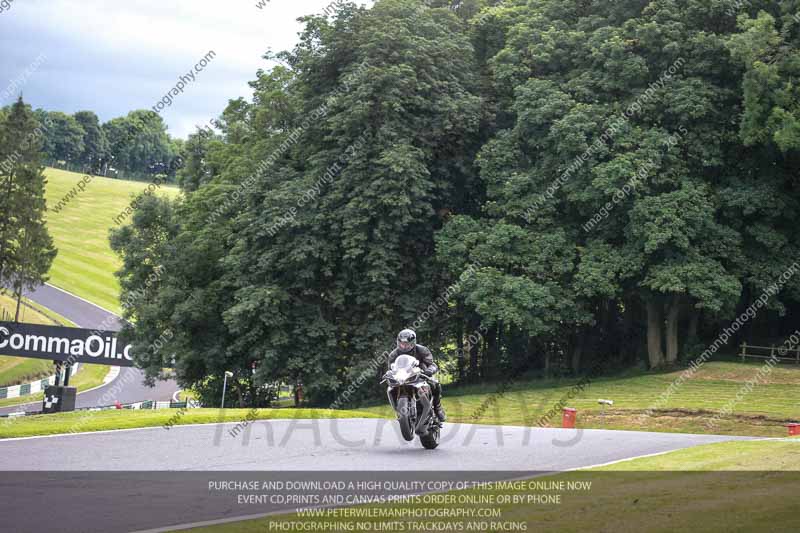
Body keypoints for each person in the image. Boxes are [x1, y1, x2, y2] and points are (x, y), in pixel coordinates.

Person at [387, 329, 446, 421]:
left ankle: (438, 408)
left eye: (407, 344)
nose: (404, 346)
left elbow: (432, 364)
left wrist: (428, 371)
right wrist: (389, 374)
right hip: (403, 378)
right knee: (391, 388)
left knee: (435, 384)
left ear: (413, 342)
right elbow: (391, 368)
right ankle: (399, 410)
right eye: (402, 343)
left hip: (420, 375)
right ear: (398, 343)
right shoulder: (393, 354)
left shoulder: (422, 350)